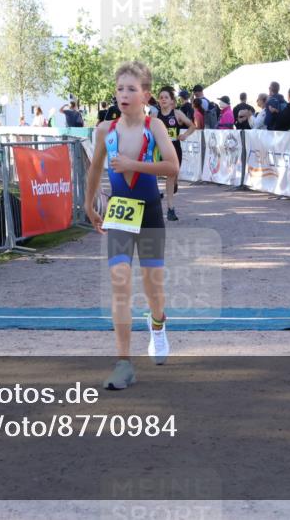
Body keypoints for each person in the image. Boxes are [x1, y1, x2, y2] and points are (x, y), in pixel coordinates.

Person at [86, 61, 179, 390]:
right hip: (119, 215)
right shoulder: (104, 130)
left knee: (153, 287)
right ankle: (123, 363)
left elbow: (173, 166)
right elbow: (95, 169)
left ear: (146, 95)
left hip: (150, 213)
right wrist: (89, 204)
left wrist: (132, 164)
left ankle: (158, 324)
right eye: (120, 88)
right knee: (120, 284)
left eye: (131, 89)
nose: (123, 95)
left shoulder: (155, 127)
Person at [156, 85, 195, 222]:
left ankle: (174, 183)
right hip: (159, 148)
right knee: (167, 175)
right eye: (161, 98)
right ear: (158, 101)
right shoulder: (154, 115)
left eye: (166, 97)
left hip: (174, 148)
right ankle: (170, 209)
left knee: (173, 175)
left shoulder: (177, 114)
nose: (163, 99)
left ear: (172, 100)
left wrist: (184, 135)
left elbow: (192, 125)